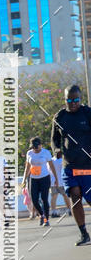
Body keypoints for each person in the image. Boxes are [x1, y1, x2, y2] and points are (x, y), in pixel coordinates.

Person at [51, 84, 91, 246]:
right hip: (70, 166)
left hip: (87, 165)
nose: (73, 103)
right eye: (69, 100)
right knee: (75, 197)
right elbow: (54, 140)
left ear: (80, 99)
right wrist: (57, 150)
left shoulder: (87, 113)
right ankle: (84, 234)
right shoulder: (59, 117)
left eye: (76, 100)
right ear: (65, 99)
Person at [21, 138, 57, 227]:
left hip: (44, 178)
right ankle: (42, 215)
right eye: (34, 147)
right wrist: (24, 180)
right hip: (33, 179)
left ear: (41, 145)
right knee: (34, 200)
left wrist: (56, 178)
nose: (36, 149)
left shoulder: (46, 152)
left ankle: (46, 219)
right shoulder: (29, 153)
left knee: (44, 199)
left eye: (37, 147)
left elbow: (52, 166)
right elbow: (27, 167)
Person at [49, 149, 71, 218]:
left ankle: (53, 212)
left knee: (54, 197)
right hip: (61, 181)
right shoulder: (62, 161)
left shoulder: (50, 160)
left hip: (53, 181)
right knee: (65, 196)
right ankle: (70, 210)